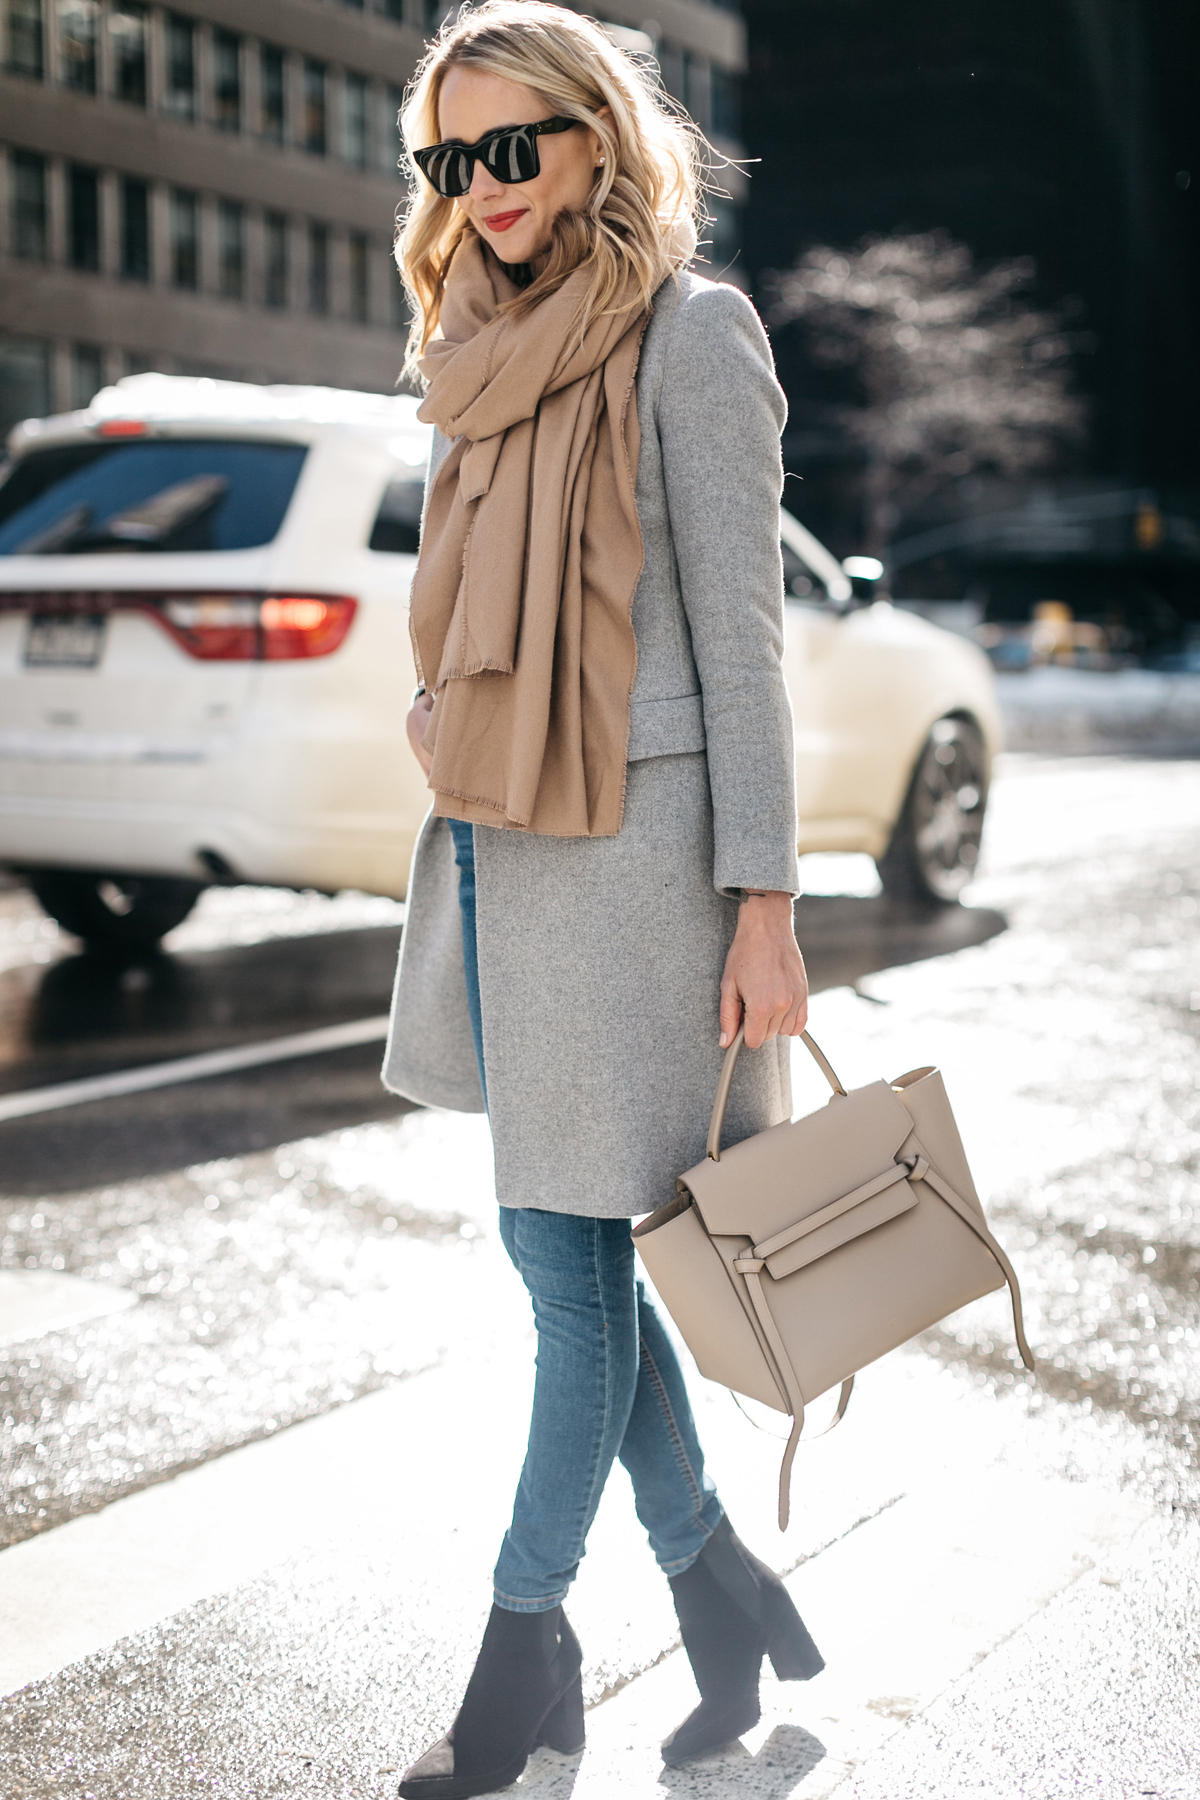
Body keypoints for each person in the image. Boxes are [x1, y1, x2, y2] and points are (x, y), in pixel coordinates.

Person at [382, 5, 822, 1793]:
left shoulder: (691, 335)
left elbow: (748, 643)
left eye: (512, 148)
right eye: (447, 159)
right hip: (498, 847)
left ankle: (521, 1657)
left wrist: (768, 904)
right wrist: (438, 707)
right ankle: (717, 1585)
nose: (482, 190)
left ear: (592, 139)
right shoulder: (473, 349)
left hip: (640, 869)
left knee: (578, 1279)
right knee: (558, 1256)